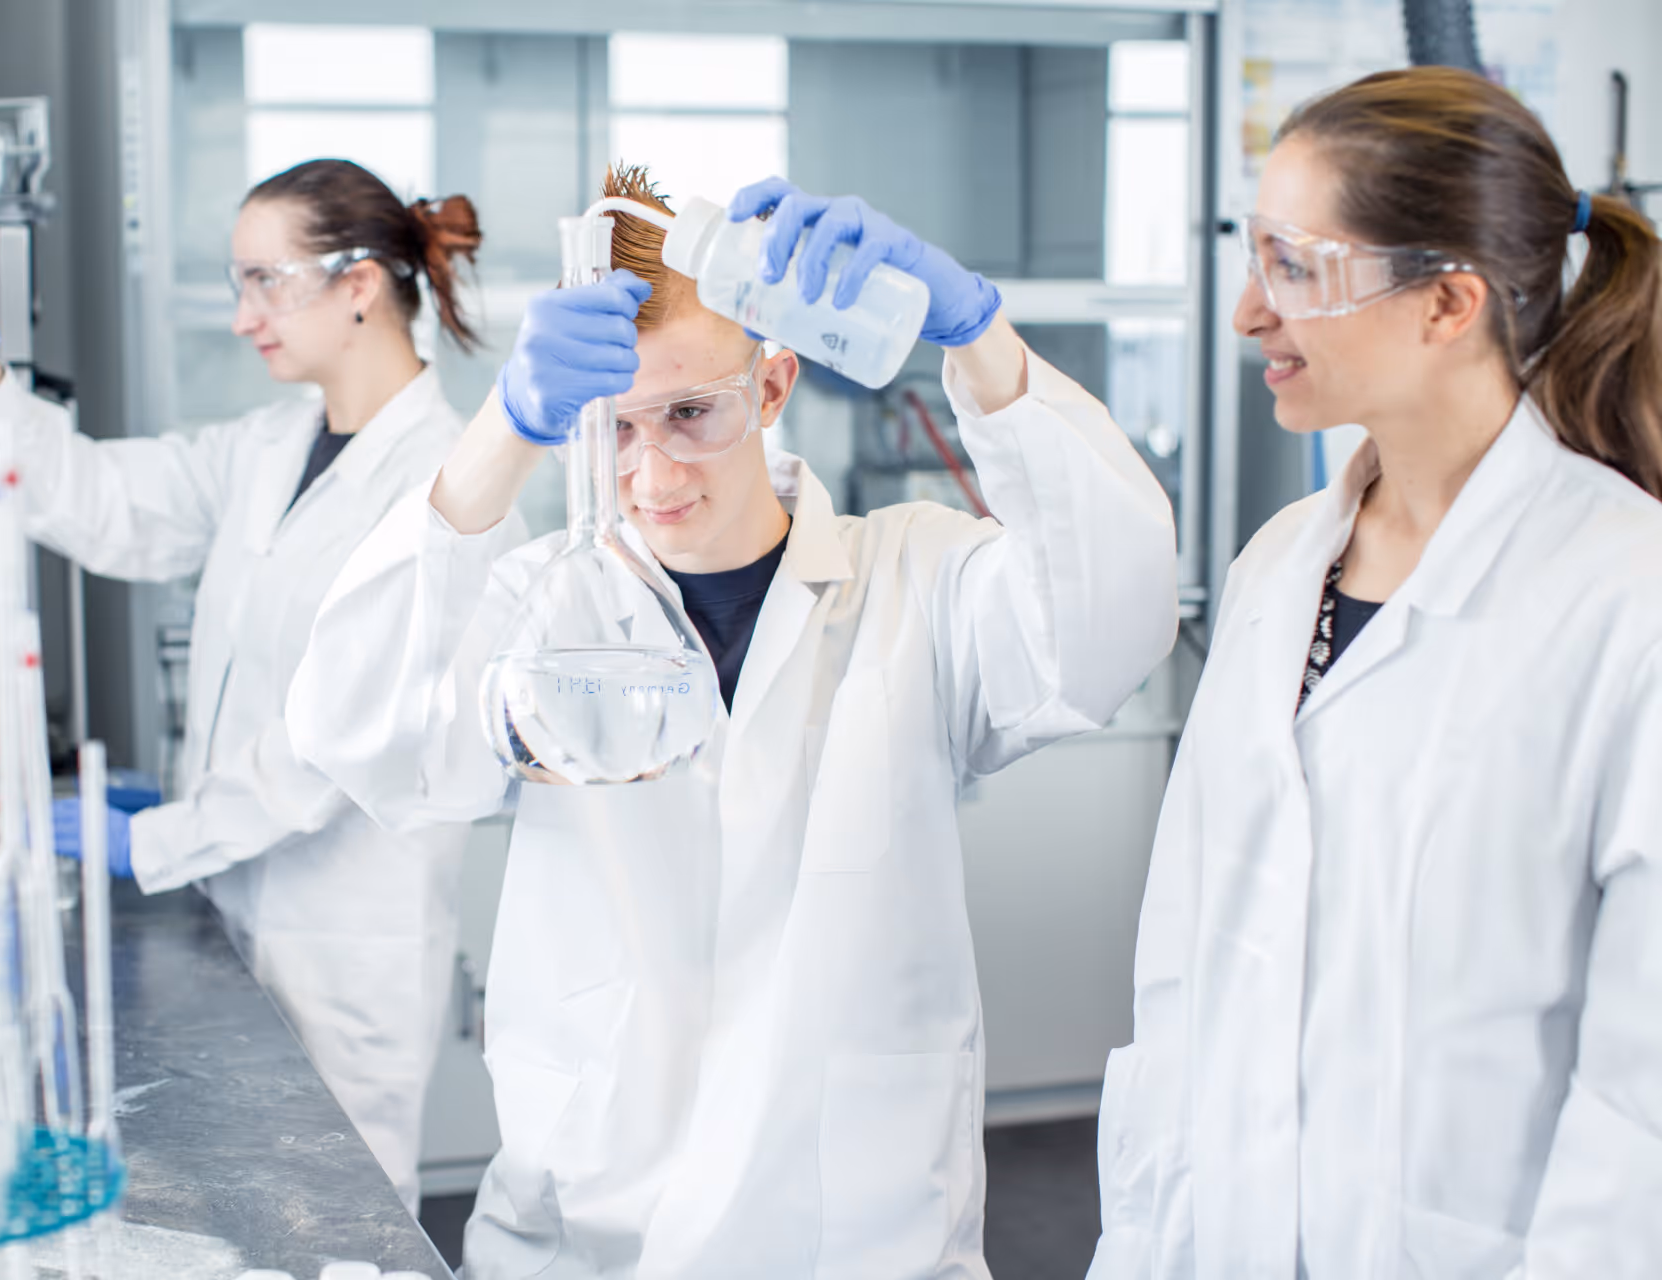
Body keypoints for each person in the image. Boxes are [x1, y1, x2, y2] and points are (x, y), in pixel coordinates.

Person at [288, 166, 1178, 1277]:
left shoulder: (915, 582)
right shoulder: (541, 604)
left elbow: (1114, 619)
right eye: (607, 429)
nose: (650, 470)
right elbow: (356, 730)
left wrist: (984, 339)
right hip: (587, 1234)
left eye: (690, 414)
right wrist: (504, 428)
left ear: (772, 384)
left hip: (854, 1233)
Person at [1088, 67, 1662, 1279]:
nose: (1248, 311)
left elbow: (1642, 1099)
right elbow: (1187, 974)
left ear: (1447, 302)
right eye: (1257, 256)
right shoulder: (1279, 571)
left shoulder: (1626, 596)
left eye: (1297, 268)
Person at [0, 159, 484, 1211]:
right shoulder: (270, 444)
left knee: (339, 1223)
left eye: (266, 280)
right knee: (238, 1207)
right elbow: (109, 502)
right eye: (237, 279)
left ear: (357, 285)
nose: (243, 312)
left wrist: (154, 837)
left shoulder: (446, 487)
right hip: (235, 897)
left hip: (345, 933)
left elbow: (331, 747)